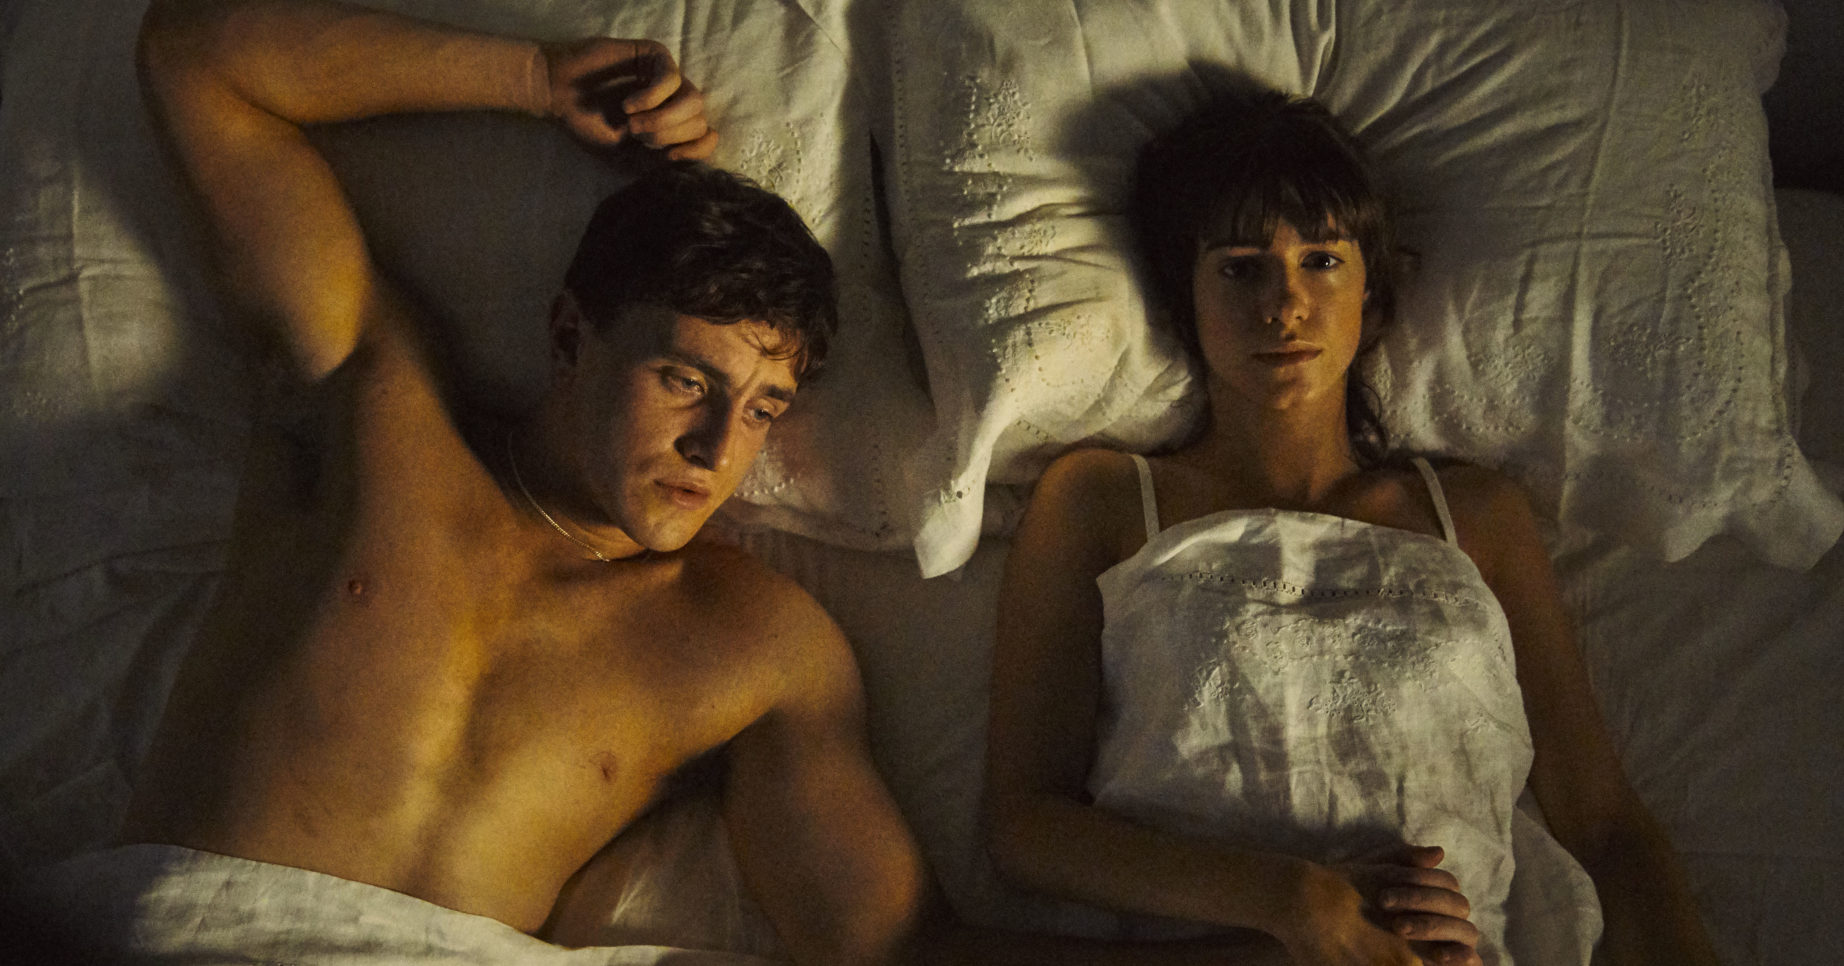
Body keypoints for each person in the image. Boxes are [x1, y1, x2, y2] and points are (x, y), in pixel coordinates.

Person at [49, 0, 923, 962]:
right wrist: (534, 80)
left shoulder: (755, 645)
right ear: (569, 337)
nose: (716, 451)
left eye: (763, 408)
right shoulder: (381, 411)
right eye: (686, 381)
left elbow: (877, 949)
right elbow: (196, 57)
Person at [984, 87, 1725, 966]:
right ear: (1185, 300)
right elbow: (1025, 826)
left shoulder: (1476, 516)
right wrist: (1292, 900)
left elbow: (1601, 822)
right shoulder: (1100, 500)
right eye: (1241, 268)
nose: (1285, 304)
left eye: (1322, 261)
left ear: (1371, 296)